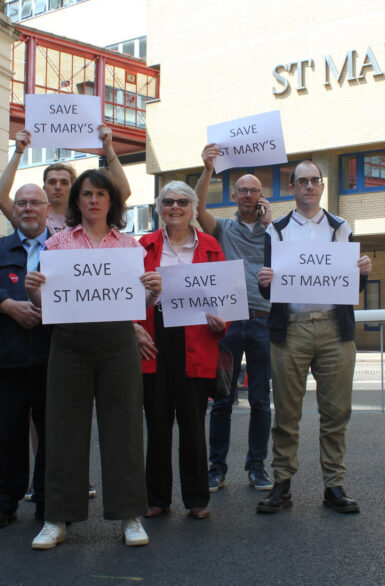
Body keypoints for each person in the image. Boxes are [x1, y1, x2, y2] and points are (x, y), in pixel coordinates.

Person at [25, 169, 162, 550]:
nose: (93, 200)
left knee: (125, 427)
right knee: (63, 428)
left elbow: (140, 305)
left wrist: (153, 292)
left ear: (112, 202)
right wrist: (34, 292)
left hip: (118, 341)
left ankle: (130, 515)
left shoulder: (130, 247)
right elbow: (45, 304)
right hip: (69, 343)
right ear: (77, 201)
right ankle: (57, 518)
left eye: (101, 194)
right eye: (86, 194)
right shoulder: (56, 245)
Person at [256, 160, 372, 515]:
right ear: (292, 188)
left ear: (321, 186)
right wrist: (265, 280)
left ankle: (334, 486)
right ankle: (282, 484)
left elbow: (350, 284)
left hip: (334, 330)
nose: (309, 186)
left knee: (336, 413)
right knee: (287, 414)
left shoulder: (341, 226)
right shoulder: (276, 230)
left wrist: (363, 272)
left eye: (314, 181)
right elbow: (269, 291)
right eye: (302, 181)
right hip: (290, 329)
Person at [135, 181, 227, 521]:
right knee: (157, 423)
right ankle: (156, 497)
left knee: (192, 424)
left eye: (183, 202)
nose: (176, 207)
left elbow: (223, 299)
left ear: (193, 208)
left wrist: (223, 324)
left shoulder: (212, 245)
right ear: (159, 208)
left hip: (196, 339)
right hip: (153, 338)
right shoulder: (142, 246)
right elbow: (128, 295)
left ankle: (197, 498)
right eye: (169, 202)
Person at [0, 184, 53, 529]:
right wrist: (6, 304)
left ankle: (50, 501)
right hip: (7, 360)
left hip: (54, 360)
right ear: (14, 210)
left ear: (48, 209)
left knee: (54, 436)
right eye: (22, 203)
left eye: (35, 203)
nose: (28, 208)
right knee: (6, 435)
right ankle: (3, 502)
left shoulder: (66, 248)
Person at [194, 143, 274, 492]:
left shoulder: (275, 229)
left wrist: (271, 226)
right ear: (234, 194)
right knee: (223, 399)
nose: (247, 195)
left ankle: (257, 466)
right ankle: (216, 468)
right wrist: (208, 169)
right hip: (229, 322)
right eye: (241, 190)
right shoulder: (223, 227)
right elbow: (197, 208)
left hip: (263, 320)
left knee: (260, 400)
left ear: (261, 196)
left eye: (253, 190)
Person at [0, 125, 132, 234]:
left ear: (73, 189)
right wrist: (18, 152)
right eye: (52, 182)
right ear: (44, 188)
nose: (58, 186)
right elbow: (0, 197)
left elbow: (124, 192)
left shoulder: (88, 214)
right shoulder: (31, 215)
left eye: (64, 182)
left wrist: (108, 148)